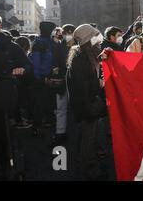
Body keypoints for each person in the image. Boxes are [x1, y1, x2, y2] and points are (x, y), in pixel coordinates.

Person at [0, 12, 33, 180]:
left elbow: (28, 66)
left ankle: (10, 168)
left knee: (5, 135)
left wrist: (22, 69)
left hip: (4, 99)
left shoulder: (11, 47)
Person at [66, 24, 108, 180]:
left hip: (90, 104)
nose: (99, 37)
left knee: (90, 137)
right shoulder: (80, 59)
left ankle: (90, 165)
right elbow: (81, 85)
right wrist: (98, 84)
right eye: (95, 34)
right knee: (87, 140)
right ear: (88, 39)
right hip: (87, 106)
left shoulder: (86, 54)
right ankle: (88, 170)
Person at [29, 21, 57, 136]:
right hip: (41, 78)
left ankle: (49, 121)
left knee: (49, 101)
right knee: (39, 102)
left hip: (50, 76)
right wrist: (40, 78)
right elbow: (36, 63)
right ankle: (37, 126)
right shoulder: (39, 43)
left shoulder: (50, 42)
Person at [50, 24, 76, 146]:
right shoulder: (59, 47)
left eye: (70, 32)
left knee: (74, 107)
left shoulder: (78, 46)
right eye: (66, 32)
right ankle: (60, 133)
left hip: (75, 81)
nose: (68, 34)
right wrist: (55, 68)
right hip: (62, 80)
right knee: (61, 108)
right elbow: (55, 61)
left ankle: (73, 132)